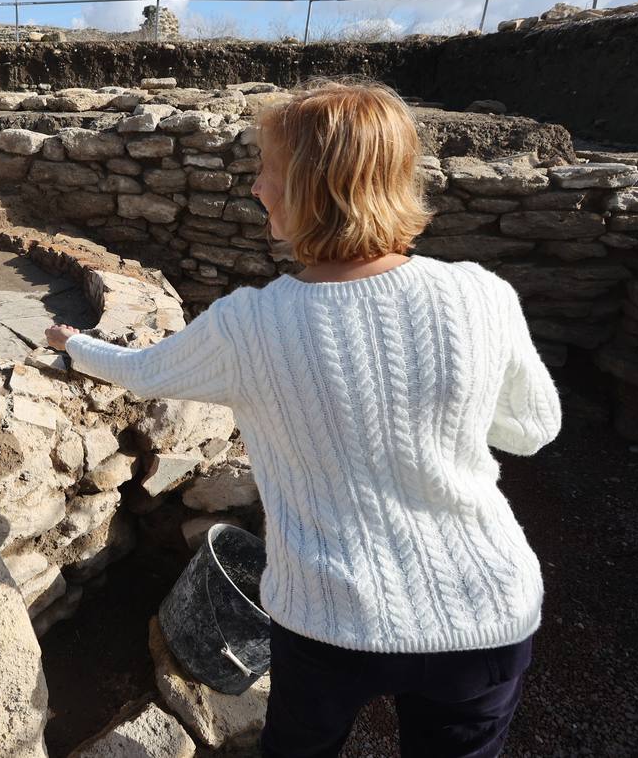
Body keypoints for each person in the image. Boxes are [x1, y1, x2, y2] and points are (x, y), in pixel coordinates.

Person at [45, 79, 562, 758]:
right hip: (487, 610)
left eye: (269, 172)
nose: (257, 188)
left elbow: (143, 372)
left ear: (318, 188)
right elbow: (532, 430)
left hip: (329, 619)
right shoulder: (480, 294)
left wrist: (73, 345)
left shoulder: (250, 327)